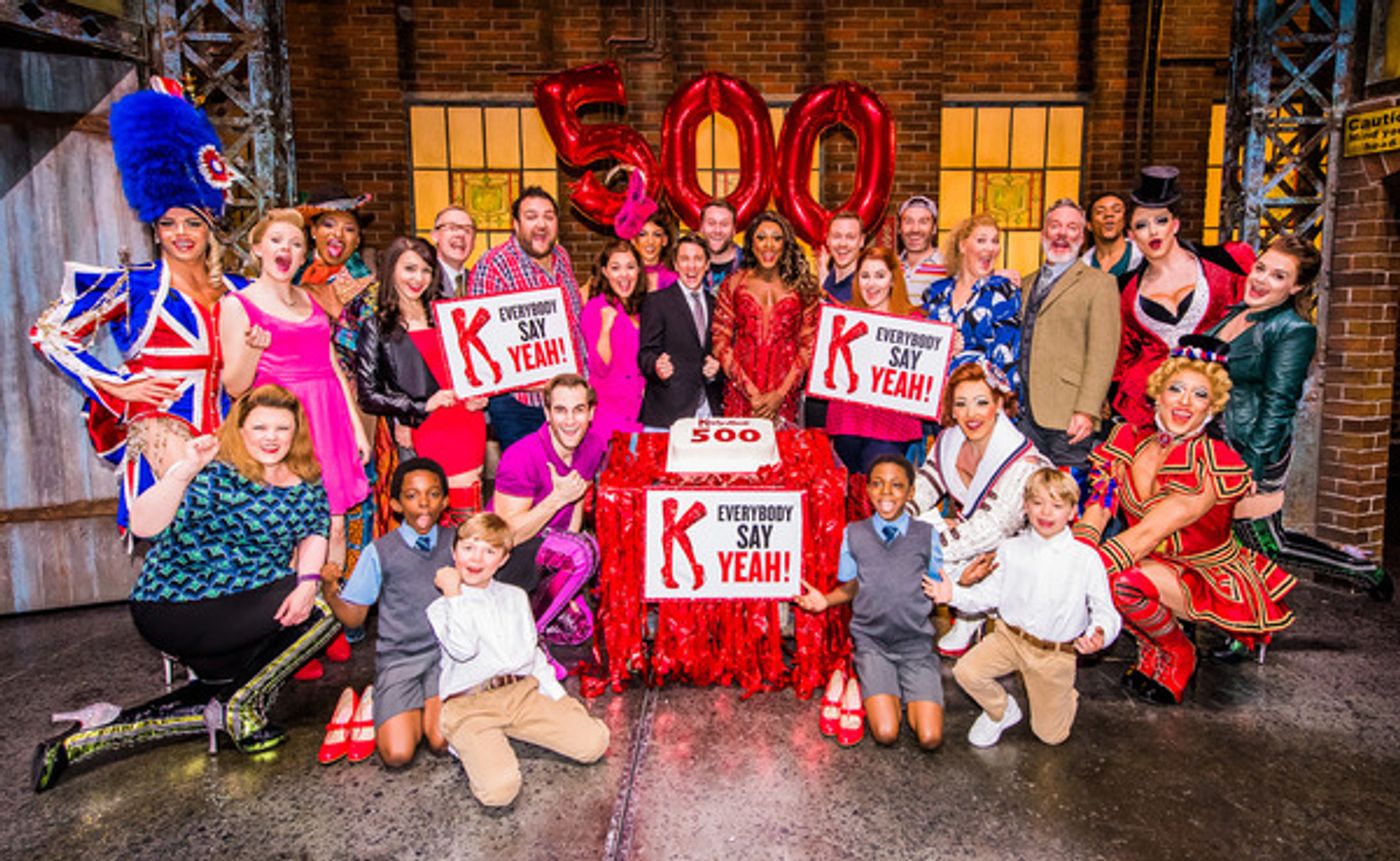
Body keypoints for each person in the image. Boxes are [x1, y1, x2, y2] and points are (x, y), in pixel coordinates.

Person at [33, 385, 342, 791]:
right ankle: (238, 708)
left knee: (225, 685)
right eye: (260, 427)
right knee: (324, 610)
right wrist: (183, 470)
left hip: (240, 608)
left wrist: (305, 582)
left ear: (296, 431)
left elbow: (314, 533)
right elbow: (144, 525)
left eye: (282, 428)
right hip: (175, 604)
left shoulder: (306, 482)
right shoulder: (214, 472)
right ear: (241, 429)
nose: (271, 437)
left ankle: (81, 741)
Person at [29, 84, 245, 533]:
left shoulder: (236, 289)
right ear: (155, 227)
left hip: (233, 433)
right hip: (164, 434)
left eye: (192, 223)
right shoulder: (136, 285)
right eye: (168, 223)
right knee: (180, 540)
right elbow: (49, 332)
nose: (180, 233)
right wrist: (115, 384)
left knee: (232, 549)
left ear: (210, 229)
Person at [1076, 335, 1297, 705]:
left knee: (1117, 582)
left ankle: (1179, 651)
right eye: (1176, 389)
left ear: (1212, 406)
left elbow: (1149, 531)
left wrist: (1074, 572)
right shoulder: (1128, 440)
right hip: (1148, 561)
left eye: (1199, 395)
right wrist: (1077, 548)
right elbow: (1100, 504)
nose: (1184, 402)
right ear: (1157, 392)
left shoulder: (1211, 460)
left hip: (1201, 572)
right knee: (1113, 575)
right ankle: (1152, 650)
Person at [1209, 236, 1393, 601]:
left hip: (1254, 446)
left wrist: (1252, 464)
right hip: (1216, 441)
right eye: (1261, 268)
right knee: (1229, 538)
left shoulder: (1293, 330)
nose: (1261, 280)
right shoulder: (1236, 313)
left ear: (1296, 286)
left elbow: (1279, 404)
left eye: (1278, 276)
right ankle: (1240, 629)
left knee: (1266, 542)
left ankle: (1361, 570)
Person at [221, 208, 372, 579]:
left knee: (335, 525)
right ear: (257, 248)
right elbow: (234, 386)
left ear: (304, 256)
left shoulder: (310, 300)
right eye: (276, 241)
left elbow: (333, 364)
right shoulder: (238, 304)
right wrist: (255, 348)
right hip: (286, 426)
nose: (285, 249)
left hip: (330, 417)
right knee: (292, 527)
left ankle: (327, 613)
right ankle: (290, 610)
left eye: (295, 244)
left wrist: (355, 427)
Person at [428, 513, 610, 807]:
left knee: (594, 743)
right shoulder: (444, 606)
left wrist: (559, 697)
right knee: (499, 792)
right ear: (454, 552)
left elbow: (532, 654)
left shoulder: (513, 597)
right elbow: (463, 649)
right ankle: (475, 742)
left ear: (502, 560)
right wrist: (453, 594)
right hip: (470, 705)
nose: (477, 559)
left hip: (520, 694)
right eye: (469, 548)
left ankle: (507, 736)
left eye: (490, 551)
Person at [930, 468, 1120, 747]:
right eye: (1037, 503)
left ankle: (1063, 695)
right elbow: (988, 595)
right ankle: (1001, 711)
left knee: (1051, 737)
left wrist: (1100, 632)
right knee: (966, 671)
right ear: (1025, 507)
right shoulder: (1011, 549)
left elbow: (1105, 609)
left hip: (1054, 653)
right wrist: (953, 594)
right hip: (1009, 638)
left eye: (1057, 506)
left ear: (1071, 512)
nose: (1046, 513)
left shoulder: (1085, 558)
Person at [795, 455, 945, 750]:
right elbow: (853, 585)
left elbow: (939, 585)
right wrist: (824, 601)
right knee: (886, 733)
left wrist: (960, 583)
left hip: (915, 645)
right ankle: (877, 688)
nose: (885, 493)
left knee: (930, 738)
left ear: (911, 493)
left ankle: (908, 693)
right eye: (877, 484)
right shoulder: (855, 533)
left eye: (896, 485)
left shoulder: (927, 535)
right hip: (874, 644)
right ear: (867, 489)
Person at [908, 362, 1051, 657]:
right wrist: (900, 517)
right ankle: (968, 609)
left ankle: (982, 614)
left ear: (998, 404)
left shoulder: (1022, 462)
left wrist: (919, 547)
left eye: (981, 402)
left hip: (1019, 551)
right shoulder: (949, 440)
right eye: (961, 404)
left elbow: (992, 529)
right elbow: (926, 483)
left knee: (924, 550)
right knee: (911, 527)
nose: (971, 414)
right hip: (976, 539)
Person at [319, 457, 455, 766]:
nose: (423, 504)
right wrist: (330, 591)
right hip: (400, 657)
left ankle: (421, 709)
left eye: (433, 494)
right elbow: (354, 618)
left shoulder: (456, 542)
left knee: (442, 742)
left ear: (445, 501)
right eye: (412, 495)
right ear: (394, 504)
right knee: (397, 755)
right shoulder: (380, 551)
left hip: (445, 655)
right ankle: (386, 700)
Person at [356, 236, 488, 521]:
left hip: (465, 421)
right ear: (392, 270)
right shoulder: (376, 327)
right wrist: (418, 406)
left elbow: (475, 366)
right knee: (426, 520)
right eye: (409, 269)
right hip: (424, 427)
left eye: (426, 270)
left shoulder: (449, 316)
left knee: (469, 524)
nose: (418, 279)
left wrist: (480, 392)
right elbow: (368, 395)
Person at [1111, 166, 1253, 429]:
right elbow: (1123, 357)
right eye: (1142, 225)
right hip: (1153, 408)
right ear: (1131, 235)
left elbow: (1261, 316)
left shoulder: (1226, 263)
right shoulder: (1124, 289)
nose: (1153, 232)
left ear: (1175, 225)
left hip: (1221, 403)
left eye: (1161, 221)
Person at [489, 374, 605, 673]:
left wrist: (571, 575)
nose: (570, 421)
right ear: (547, 413)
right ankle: (521, 645)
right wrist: (556, 498)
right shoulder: (521, 455)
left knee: (579, 629)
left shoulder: (591, 445)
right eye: (560, 410)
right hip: (504, 561)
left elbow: (576, 505)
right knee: (584, 551)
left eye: (578, 410)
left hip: (549, 549)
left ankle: (517, 617)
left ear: (590, 413)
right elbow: (505, 536)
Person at [468, 187, 586, 450]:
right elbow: (481, 343)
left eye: (548, 217)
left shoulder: (562, 258)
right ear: (516, 224)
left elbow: (573, 324)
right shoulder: (493, 265)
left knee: (566, 483)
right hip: (519, 406)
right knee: (526, 484)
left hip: (565, 403)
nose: (541, 224)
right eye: (531, 216)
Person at [1018, 199, 1120, 470]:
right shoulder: (1026, 283)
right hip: (1024, 414)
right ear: (1043, 234)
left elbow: (1103, 353)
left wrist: (1087, 410)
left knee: (1067, 495)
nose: (1062, 234)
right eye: (1055, 226)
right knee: (1027, 496)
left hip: (1068, 414)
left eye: (1071, 227)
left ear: (1082, 237)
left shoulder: (1100, 284)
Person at [711, 210, 821, 427]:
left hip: (784, 398)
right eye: (761, 237)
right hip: (741, 397)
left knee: (782, 457)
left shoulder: (803, 288)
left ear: (785, 244)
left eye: (777, 238)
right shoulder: (733, 284)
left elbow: (809, 346)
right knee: (739, 459)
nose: (769, 245)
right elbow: (720, 342)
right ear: (751, 243)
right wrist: (751, 393)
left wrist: (780, 394)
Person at [824, 247, 924, 472]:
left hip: (891, 425)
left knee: (881, 490)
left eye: (880, 276)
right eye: (865, 276)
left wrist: (952, 346)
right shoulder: (842, 317)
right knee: (850, 495)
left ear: (893, 280)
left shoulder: (915, 321)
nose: (871, 284)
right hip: (847, 421)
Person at [920, 214, 1023, 394]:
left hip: (980, 405)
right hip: (937, 403)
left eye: (995, 241)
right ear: (962, 245)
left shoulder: (1002, 292)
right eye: (982, 240)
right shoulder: (936, 293)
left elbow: (1007, 358)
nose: (990, 248)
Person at [638, 232, 724, 430]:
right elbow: (645, 354)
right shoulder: (657, 302)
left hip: (709, 413)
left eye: (698, 259)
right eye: (685, 259)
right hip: (668, 415)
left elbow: (724, 354)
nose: (691, 266)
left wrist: (717, 370)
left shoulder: (717, 305)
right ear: (676, 264)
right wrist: (656, 366)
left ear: (707, 264)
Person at [581, 240, 648, 441]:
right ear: (605, 272)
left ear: (638, 270)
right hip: (608, 417)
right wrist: (605, 328)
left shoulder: (643, 308)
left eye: (630, 267)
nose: (624, 275)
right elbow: (599, 367)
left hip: (639, 413)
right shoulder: (596, 308)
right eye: (615, 268)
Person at [897, 195, 948, 306]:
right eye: (908, 221)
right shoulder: (890, 267)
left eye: (923, 222)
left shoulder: (949, 267)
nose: (915, 229)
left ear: (934, 228)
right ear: (899, 228)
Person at [1080, 191, 1143, 278]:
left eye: (1117, 210)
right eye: (1100, 211)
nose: (1109, 214)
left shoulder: (1144, 256)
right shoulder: (1082, 266)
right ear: (1089, 225)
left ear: (1125, 220)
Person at [817, 211, 866, 305]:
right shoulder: (825, 281)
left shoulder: (866, 287)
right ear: (827, 240)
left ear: (861, 241)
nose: (842, 244)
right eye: (836, 236)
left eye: (850, 237)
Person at [431, 205, 477, 297]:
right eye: (452, 228)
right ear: (435, 236)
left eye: (467, 230)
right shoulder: (425, 279)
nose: (460, 234)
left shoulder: (478, 280)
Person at [699, 199, 743, 295]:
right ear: (701, 227)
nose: (717, 230)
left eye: (724, 224)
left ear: (734, 230)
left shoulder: (750, 264)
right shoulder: (689, 265)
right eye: (711, 223)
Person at [632, 209, 678, 292]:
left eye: (657, 234)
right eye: (643, 234)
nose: (650, 241)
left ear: (664, 240)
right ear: (633, 240)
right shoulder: (624, 276)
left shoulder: (675, 280)